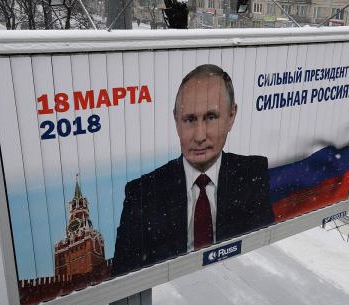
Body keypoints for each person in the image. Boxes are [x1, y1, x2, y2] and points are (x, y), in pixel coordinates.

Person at [112, 64, 274, 276]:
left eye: (211, 117)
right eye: (189, 119)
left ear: (231, 116)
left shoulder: (252, 173)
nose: (199, 136)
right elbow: (124, 281)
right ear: (176, 121)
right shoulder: (142, 193)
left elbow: (264, 252)